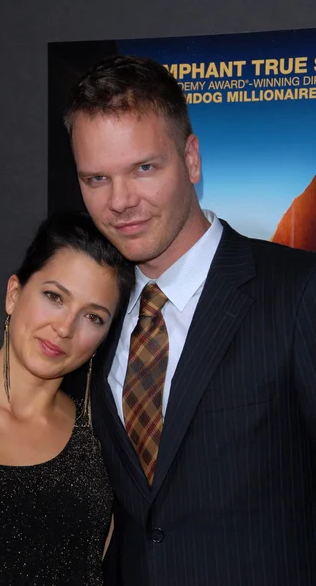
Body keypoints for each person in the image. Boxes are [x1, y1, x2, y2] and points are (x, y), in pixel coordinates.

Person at [63, 55, 316, 586]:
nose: (121, 201)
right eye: (97, 178)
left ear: (192, 159)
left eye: (144, 168)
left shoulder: (297, 291)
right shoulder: (93, 316)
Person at [0, 211, 135, 585]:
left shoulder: (102, 440)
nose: (64, 328)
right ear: (14, 294)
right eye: (54, 297)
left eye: (93, 317)